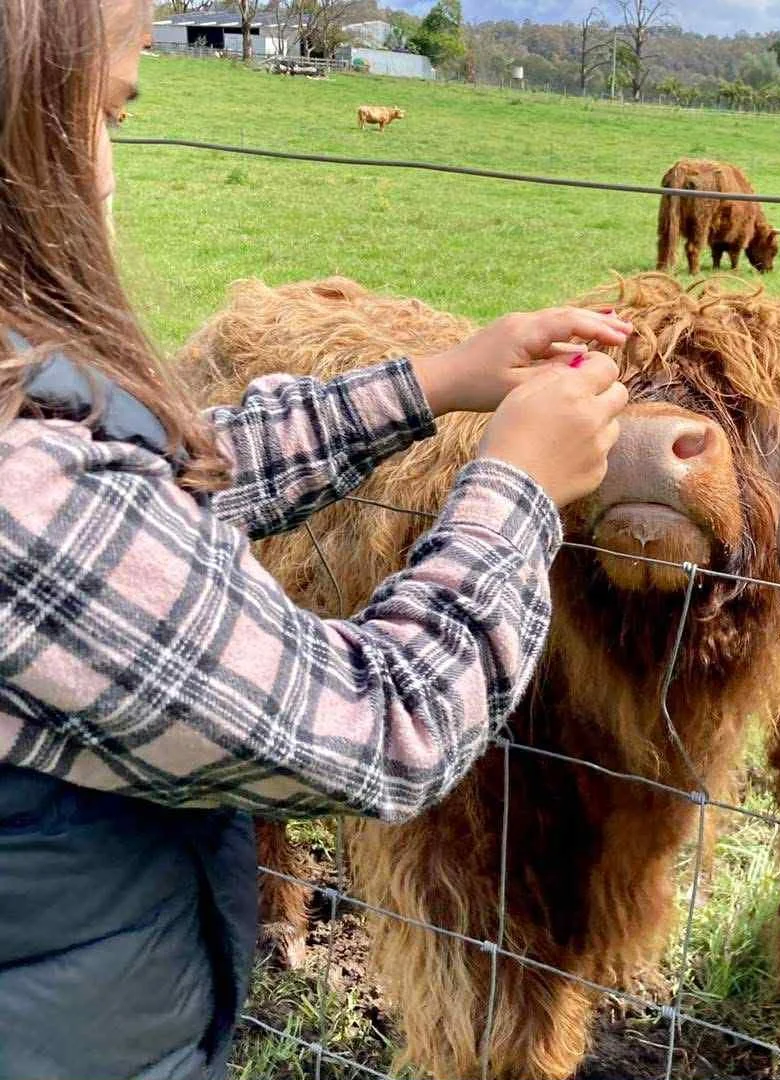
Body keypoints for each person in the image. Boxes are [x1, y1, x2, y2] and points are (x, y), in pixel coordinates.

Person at [0, 2, 631, 1077]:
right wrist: (516, 490)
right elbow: (380, 727)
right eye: (110, 111)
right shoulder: (27, 499)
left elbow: (160, 480)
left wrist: (436, 382)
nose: (107, 174)